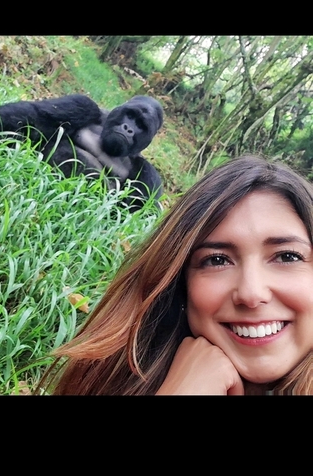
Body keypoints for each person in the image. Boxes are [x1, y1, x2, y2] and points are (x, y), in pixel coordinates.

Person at [38, 155, 313, 395]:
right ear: (180, 284)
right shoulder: (119, 378)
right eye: (217, 260)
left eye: (288, 256)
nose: (251, 293)